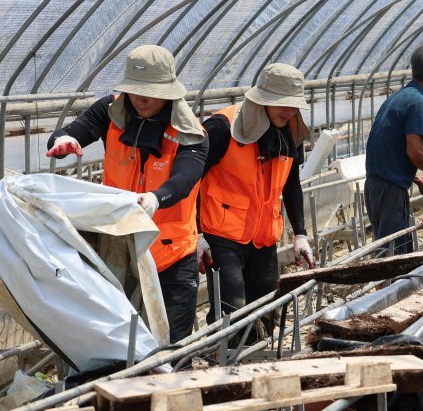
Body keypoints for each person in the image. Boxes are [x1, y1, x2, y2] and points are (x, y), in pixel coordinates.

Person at [46, 44, 207, 344]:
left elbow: (186, 178)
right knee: (123, 343)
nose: (141, 98)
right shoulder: (112, 111)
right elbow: (72, 130)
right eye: (136, 90)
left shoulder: (191, 132)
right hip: (119, 250)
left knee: (171, 347)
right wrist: (64, 139)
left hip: (171, 256)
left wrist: (156, 198)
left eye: (151, 91)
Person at [198, 63, 313, 322]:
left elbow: (292, 183)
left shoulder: (291, 129)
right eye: (281, 102)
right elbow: (192, 180)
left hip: (263, 236)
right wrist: (197, 234)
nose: (288, 110)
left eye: (293, 104)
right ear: (262, 100)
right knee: (232, 312)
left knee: (265, 311)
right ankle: (221, 357)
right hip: (221, 235)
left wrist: (300, 234)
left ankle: (256, 361)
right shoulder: (222, 127)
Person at [363, 43, 423, 254]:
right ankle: (391, 287)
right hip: (391, 189)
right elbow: (414, 151)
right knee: (396, 252)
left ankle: (384, 285)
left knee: (384, 247)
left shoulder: (398, 97)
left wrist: (414, 175)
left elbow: (387, 143)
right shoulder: (418, 102)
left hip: (375, 184)